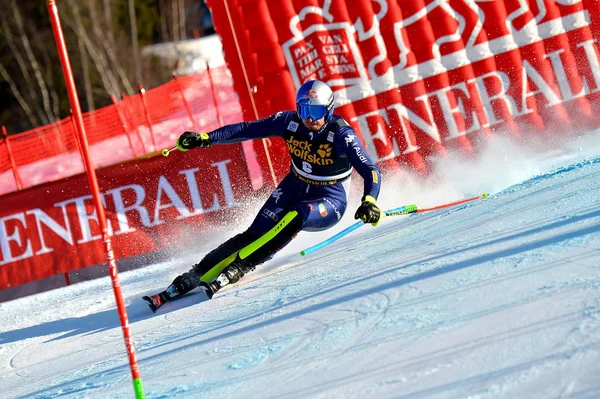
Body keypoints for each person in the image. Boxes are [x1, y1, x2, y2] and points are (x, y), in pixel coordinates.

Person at [143, 79, 382, 311]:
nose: (310, 118)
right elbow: (248, 129)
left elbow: (370, 169)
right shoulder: (289, 121)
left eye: (317, 111)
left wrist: (369, 201)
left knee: (297, 214)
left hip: (330, 197)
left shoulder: (341, 134)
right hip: (295, 185)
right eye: (304, 109)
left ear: (328, 111)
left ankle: (243, 265)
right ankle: (195, 274)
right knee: (254, 233)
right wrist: (206, 139)